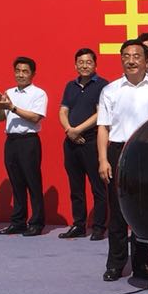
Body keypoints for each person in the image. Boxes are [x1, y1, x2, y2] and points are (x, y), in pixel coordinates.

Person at [98, 39, 148, 281]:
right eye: (126, 56)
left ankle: (142, 264)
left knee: (144, 211)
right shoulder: (110, 90)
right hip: (118, 151)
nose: (131, 61)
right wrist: (103, 159)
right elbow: (103, 127)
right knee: (118, 210)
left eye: (136, 56)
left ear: (147, 60)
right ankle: (115, 264)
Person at [0, 56, 47, 236]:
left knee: (33, 182)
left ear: (33, 74)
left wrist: (12, 107)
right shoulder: (9, 92)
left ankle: (37, 222)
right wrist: (0, 106)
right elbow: (0, 118)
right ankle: (18, 222)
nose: (21, 75)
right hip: (11, 141)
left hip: (28, 141)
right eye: (17, 71)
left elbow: (35, 117)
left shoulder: (38, 93)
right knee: (16, 182)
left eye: (25, 71)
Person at [57, 48, 108, 240]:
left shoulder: (102, 86)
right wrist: (69, 130)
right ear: (75, 65)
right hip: (71, 141)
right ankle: (79, 224)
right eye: (81, 62)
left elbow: (100, 113)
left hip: (91, 141)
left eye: (88, 62)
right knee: (76, 187)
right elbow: (63, 111)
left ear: (95, 65)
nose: (84, 65)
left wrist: (78, 130)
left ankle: (99, 227)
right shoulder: (70, 86)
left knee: (98, 187)